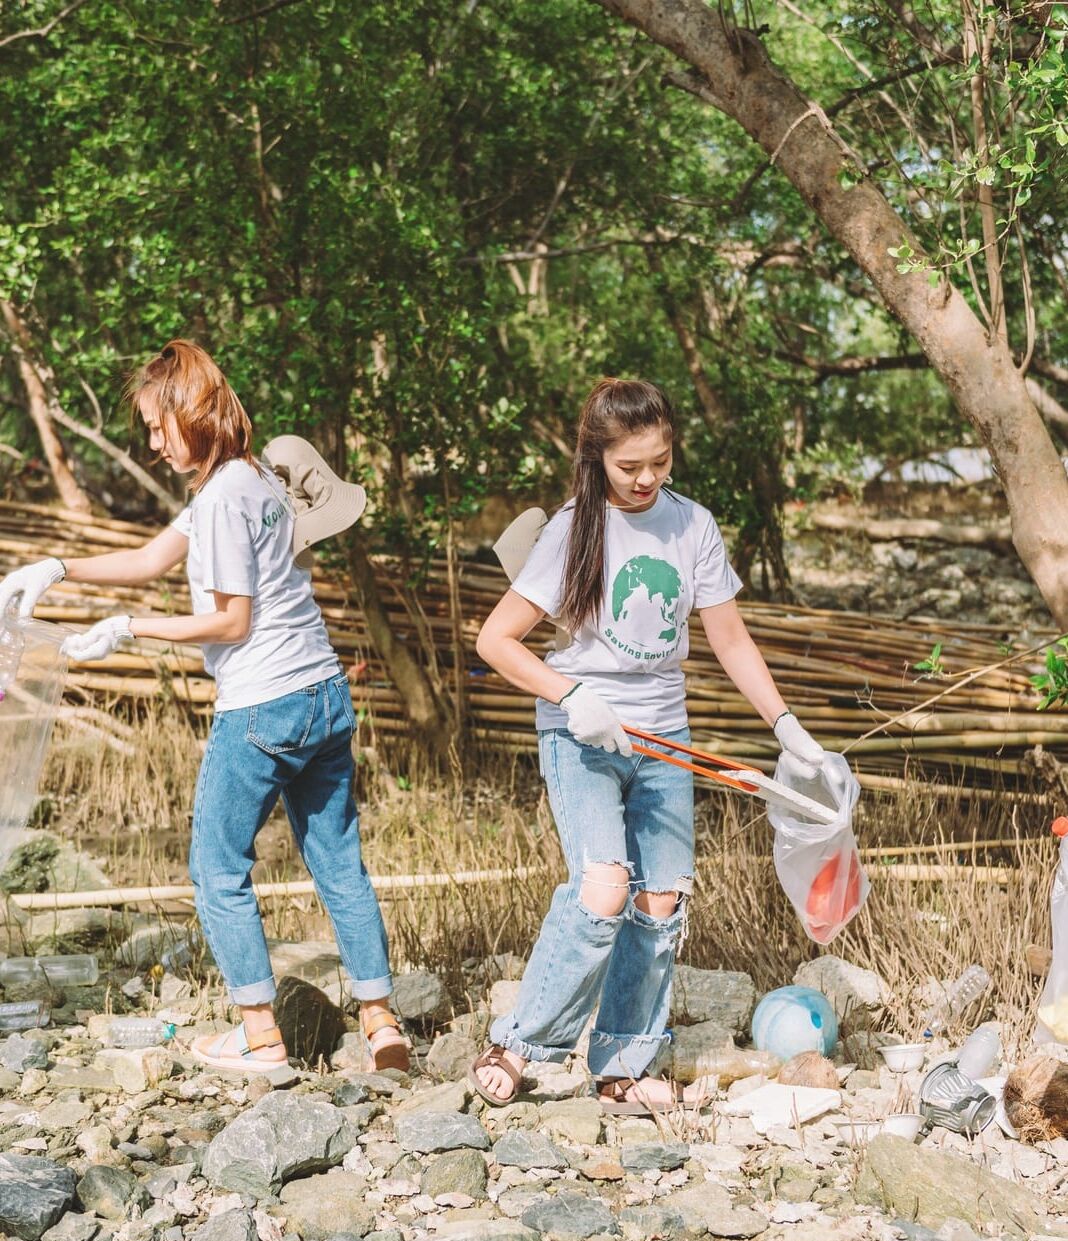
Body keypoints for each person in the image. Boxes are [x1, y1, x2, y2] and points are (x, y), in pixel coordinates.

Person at [0, 339, 408, 1076]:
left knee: (216, 870)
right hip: (323, 692)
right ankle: (381, 1022)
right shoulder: (249, 480)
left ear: (192, 411)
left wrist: (130, 628)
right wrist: (57, 567)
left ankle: (259, 1036)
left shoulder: (221, 499)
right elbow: (147, 559)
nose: (154, 442)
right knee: (338, 860)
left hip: (263, 704)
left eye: (159, 425)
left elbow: (231, 622)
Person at [470, 377, 826, 1112]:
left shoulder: (692, 524)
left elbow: (729, 637)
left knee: (660, 900)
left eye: (659, 461)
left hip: (664, 737)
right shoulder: (572, 529)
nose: (646, 479)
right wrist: (572, 694)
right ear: (597, 457)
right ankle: (518, 1041)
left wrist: (787, 726)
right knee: (604, 886)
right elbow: (495, 641)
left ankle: (623, 1063)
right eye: (630, 465)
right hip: (584, 735)